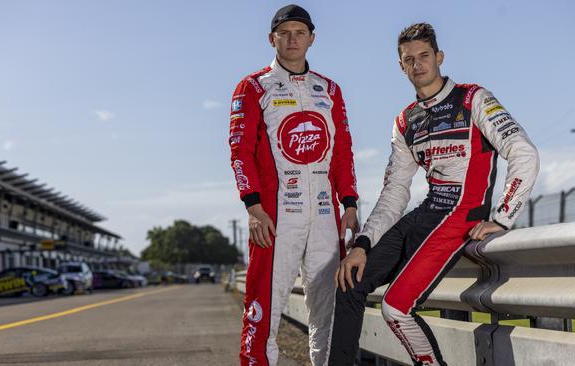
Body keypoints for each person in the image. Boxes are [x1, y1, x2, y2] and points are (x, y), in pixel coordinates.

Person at [328, 23, 539, 366]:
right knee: (349, 281)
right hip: (425, 214)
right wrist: (363, 244)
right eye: (408, 59)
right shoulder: (405, 120)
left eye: (424, 55)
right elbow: (395, 191)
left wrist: (502, 218)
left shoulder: (474, 98)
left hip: (461, 216)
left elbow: (524, 153)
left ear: (439, 57)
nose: (417, 64)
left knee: (396, 308)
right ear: (401, 66)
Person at [229, 4, 359, 366]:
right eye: (284, 33)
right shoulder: (254, 87)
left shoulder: (329, 89)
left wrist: (349, 204)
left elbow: (342, 152)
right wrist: (253, 208)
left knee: (328, 315)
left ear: (311, 39)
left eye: (299, 32)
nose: (292, 39)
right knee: (262, 311)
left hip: (324, 218)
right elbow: (240, 151)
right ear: (272, 39)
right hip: (275, 218)